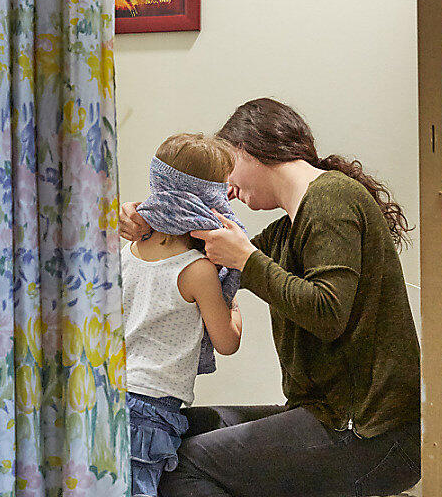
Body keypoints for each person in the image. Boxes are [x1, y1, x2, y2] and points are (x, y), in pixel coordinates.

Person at [119, 99, 421, 497]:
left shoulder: (332, 199)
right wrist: (150, 222)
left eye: (228, 166)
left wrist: (247, 259)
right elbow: (205, 259)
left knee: (185, 464)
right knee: (179, 431)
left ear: (250, 150)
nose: (227, 188)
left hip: (366, 431)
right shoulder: (285, 231)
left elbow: (329, 311)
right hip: (329, 416)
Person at [122, 133, 244, 497]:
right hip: (152, 408)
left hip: (110, 392)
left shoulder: (126, 250)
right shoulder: (199, 271)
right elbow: (226, 342)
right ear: (207, 200)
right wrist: (233, 300)